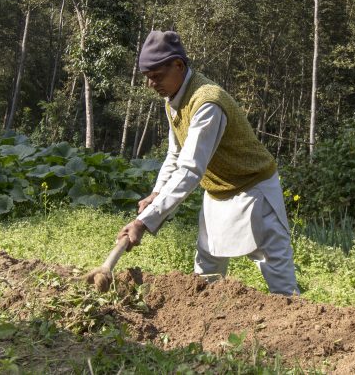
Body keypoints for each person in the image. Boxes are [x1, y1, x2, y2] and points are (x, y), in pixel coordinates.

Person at [115, 30, 298, 295]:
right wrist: (157, 192)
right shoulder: (174, 101)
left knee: (277, 273)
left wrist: (144, 222)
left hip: (254, 190)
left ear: (178, 65)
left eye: (156, 77)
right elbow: (175, 153)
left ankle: (294, 325)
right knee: (206, 269)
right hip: (217, 191)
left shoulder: (207, 102)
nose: (151, 85)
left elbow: (190, 169)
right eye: (148, 78)